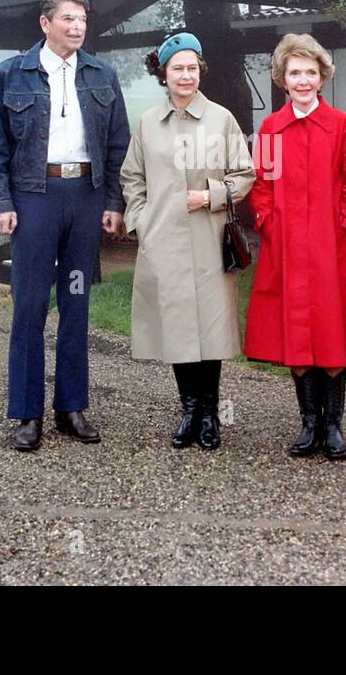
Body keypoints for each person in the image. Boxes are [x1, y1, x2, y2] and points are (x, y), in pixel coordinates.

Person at [0, 0, 130, 452]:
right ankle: (27, 413)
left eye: (82, 19)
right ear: (45, 24)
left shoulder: (102, 74)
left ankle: (71, 408)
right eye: (67, 18)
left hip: (85, 197)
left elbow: (117, 146)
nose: (77, 27)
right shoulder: (10, 75)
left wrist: (114, 201)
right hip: (33, 199)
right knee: (29, 306)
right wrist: (1, 203)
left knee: (77, 303)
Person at [244, 34, 346, 460]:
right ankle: (308, 424)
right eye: (294, 72)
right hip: (285, 247)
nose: (302, 80)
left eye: (310, 72)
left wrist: (343, 225)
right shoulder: (270, 128)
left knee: (331, 332)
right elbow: (261, 184)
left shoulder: (341, 125)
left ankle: (334, 426)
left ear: (322, 76)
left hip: (330, 249)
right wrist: (267, 221)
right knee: (296, 337)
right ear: (282, 79)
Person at [119, 33, 255, 450]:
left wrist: (211, 195)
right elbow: (132, 178)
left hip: (208, 239)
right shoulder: (147, 123)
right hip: (164, 241)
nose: (185, 75)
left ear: (201, 71)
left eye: (192, 68)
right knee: (177, 327)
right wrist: (142, 222)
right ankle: (189, 410)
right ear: (164, 73)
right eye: (177, 68)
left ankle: (211, 415)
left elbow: (244, 175)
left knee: (210, 328)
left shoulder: (221, 119)